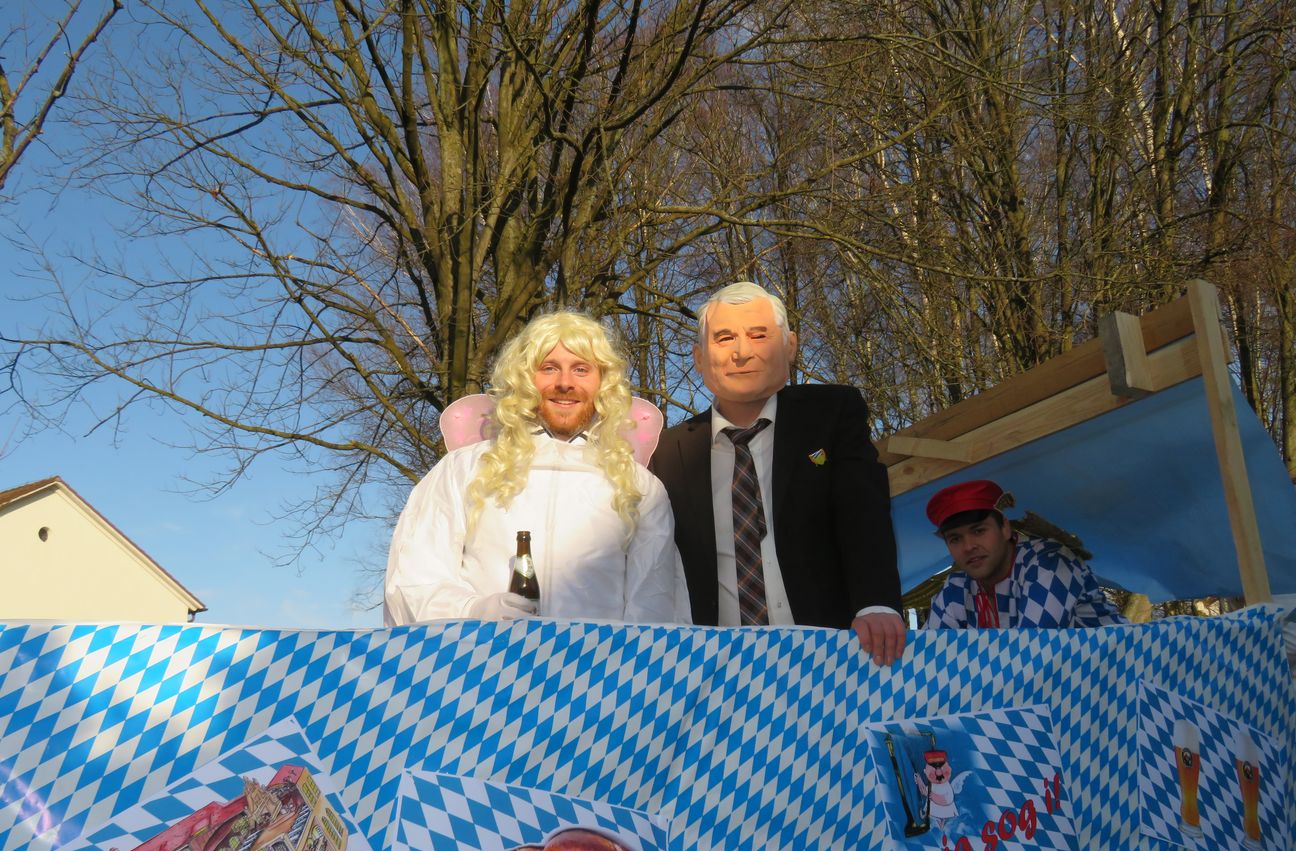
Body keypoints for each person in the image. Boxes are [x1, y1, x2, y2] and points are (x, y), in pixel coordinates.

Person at [649, 282, 906, 665]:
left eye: (759, 335)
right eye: (724, 338)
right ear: (699, 358)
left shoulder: (832, 416)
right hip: (714, 665)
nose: (741, 352)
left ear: (790, 346)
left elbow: (862, 512)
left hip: (833, 653)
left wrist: (876, 603)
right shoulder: (668, 452)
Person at [384, 310, 685, 626]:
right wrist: (472, 611)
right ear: (524, 378)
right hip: (483, 655)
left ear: (603, 382)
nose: (565, 383)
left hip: (600, 658)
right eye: (549, 368)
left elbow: (657, 607)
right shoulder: (463, 469)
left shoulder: (638, 487)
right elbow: (414, 579)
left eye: (581, 369)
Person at [923, 479, 1127, 629]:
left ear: (1005, 528)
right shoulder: (956, 589)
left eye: (979, 531)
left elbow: (1033, 657)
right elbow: (927, 657)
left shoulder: (1049, 563)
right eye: (955, 539)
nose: (968, 546)